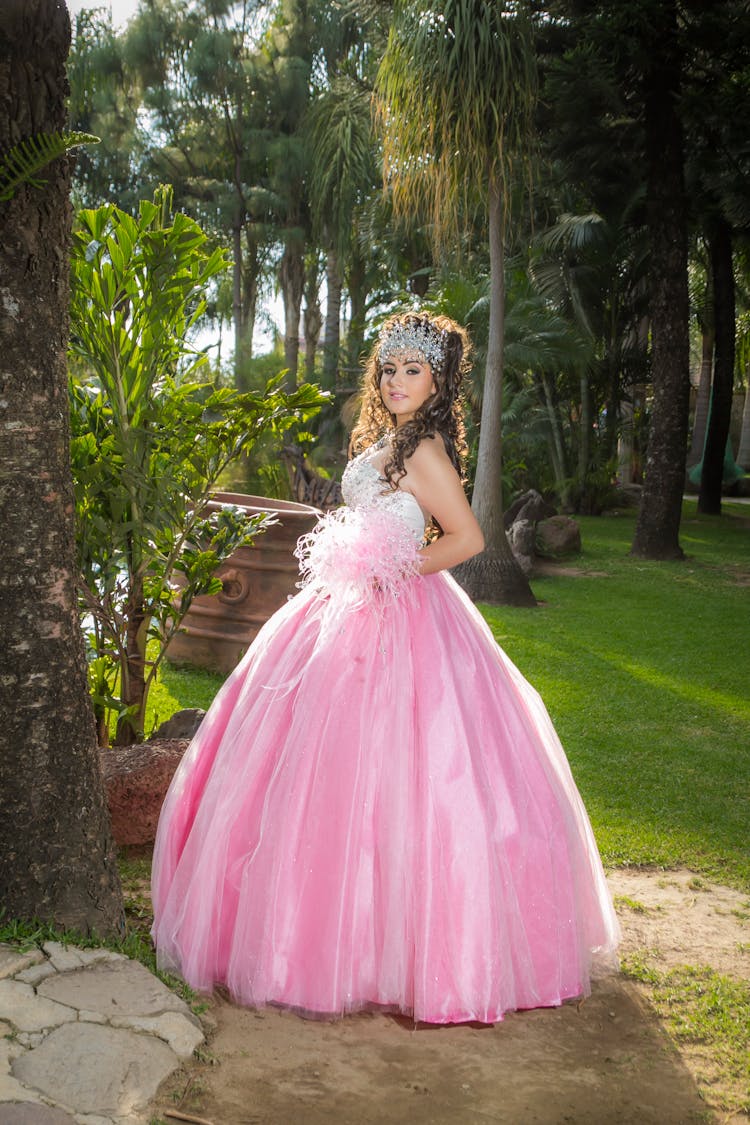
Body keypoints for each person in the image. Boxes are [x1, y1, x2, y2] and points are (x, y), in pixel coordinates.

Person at [151, 311, 619, 1024]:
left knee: (406, 778)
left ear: (436, 381)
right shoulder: (389, 442)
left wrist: (389, 570)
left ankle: (395, 949)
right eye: (390, 368)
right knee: (319, 771)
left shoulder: (424, 449)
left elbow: (467, 537)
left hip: (398, 614)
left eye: (413, 370)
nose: (397, 381)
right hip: (343, 608)